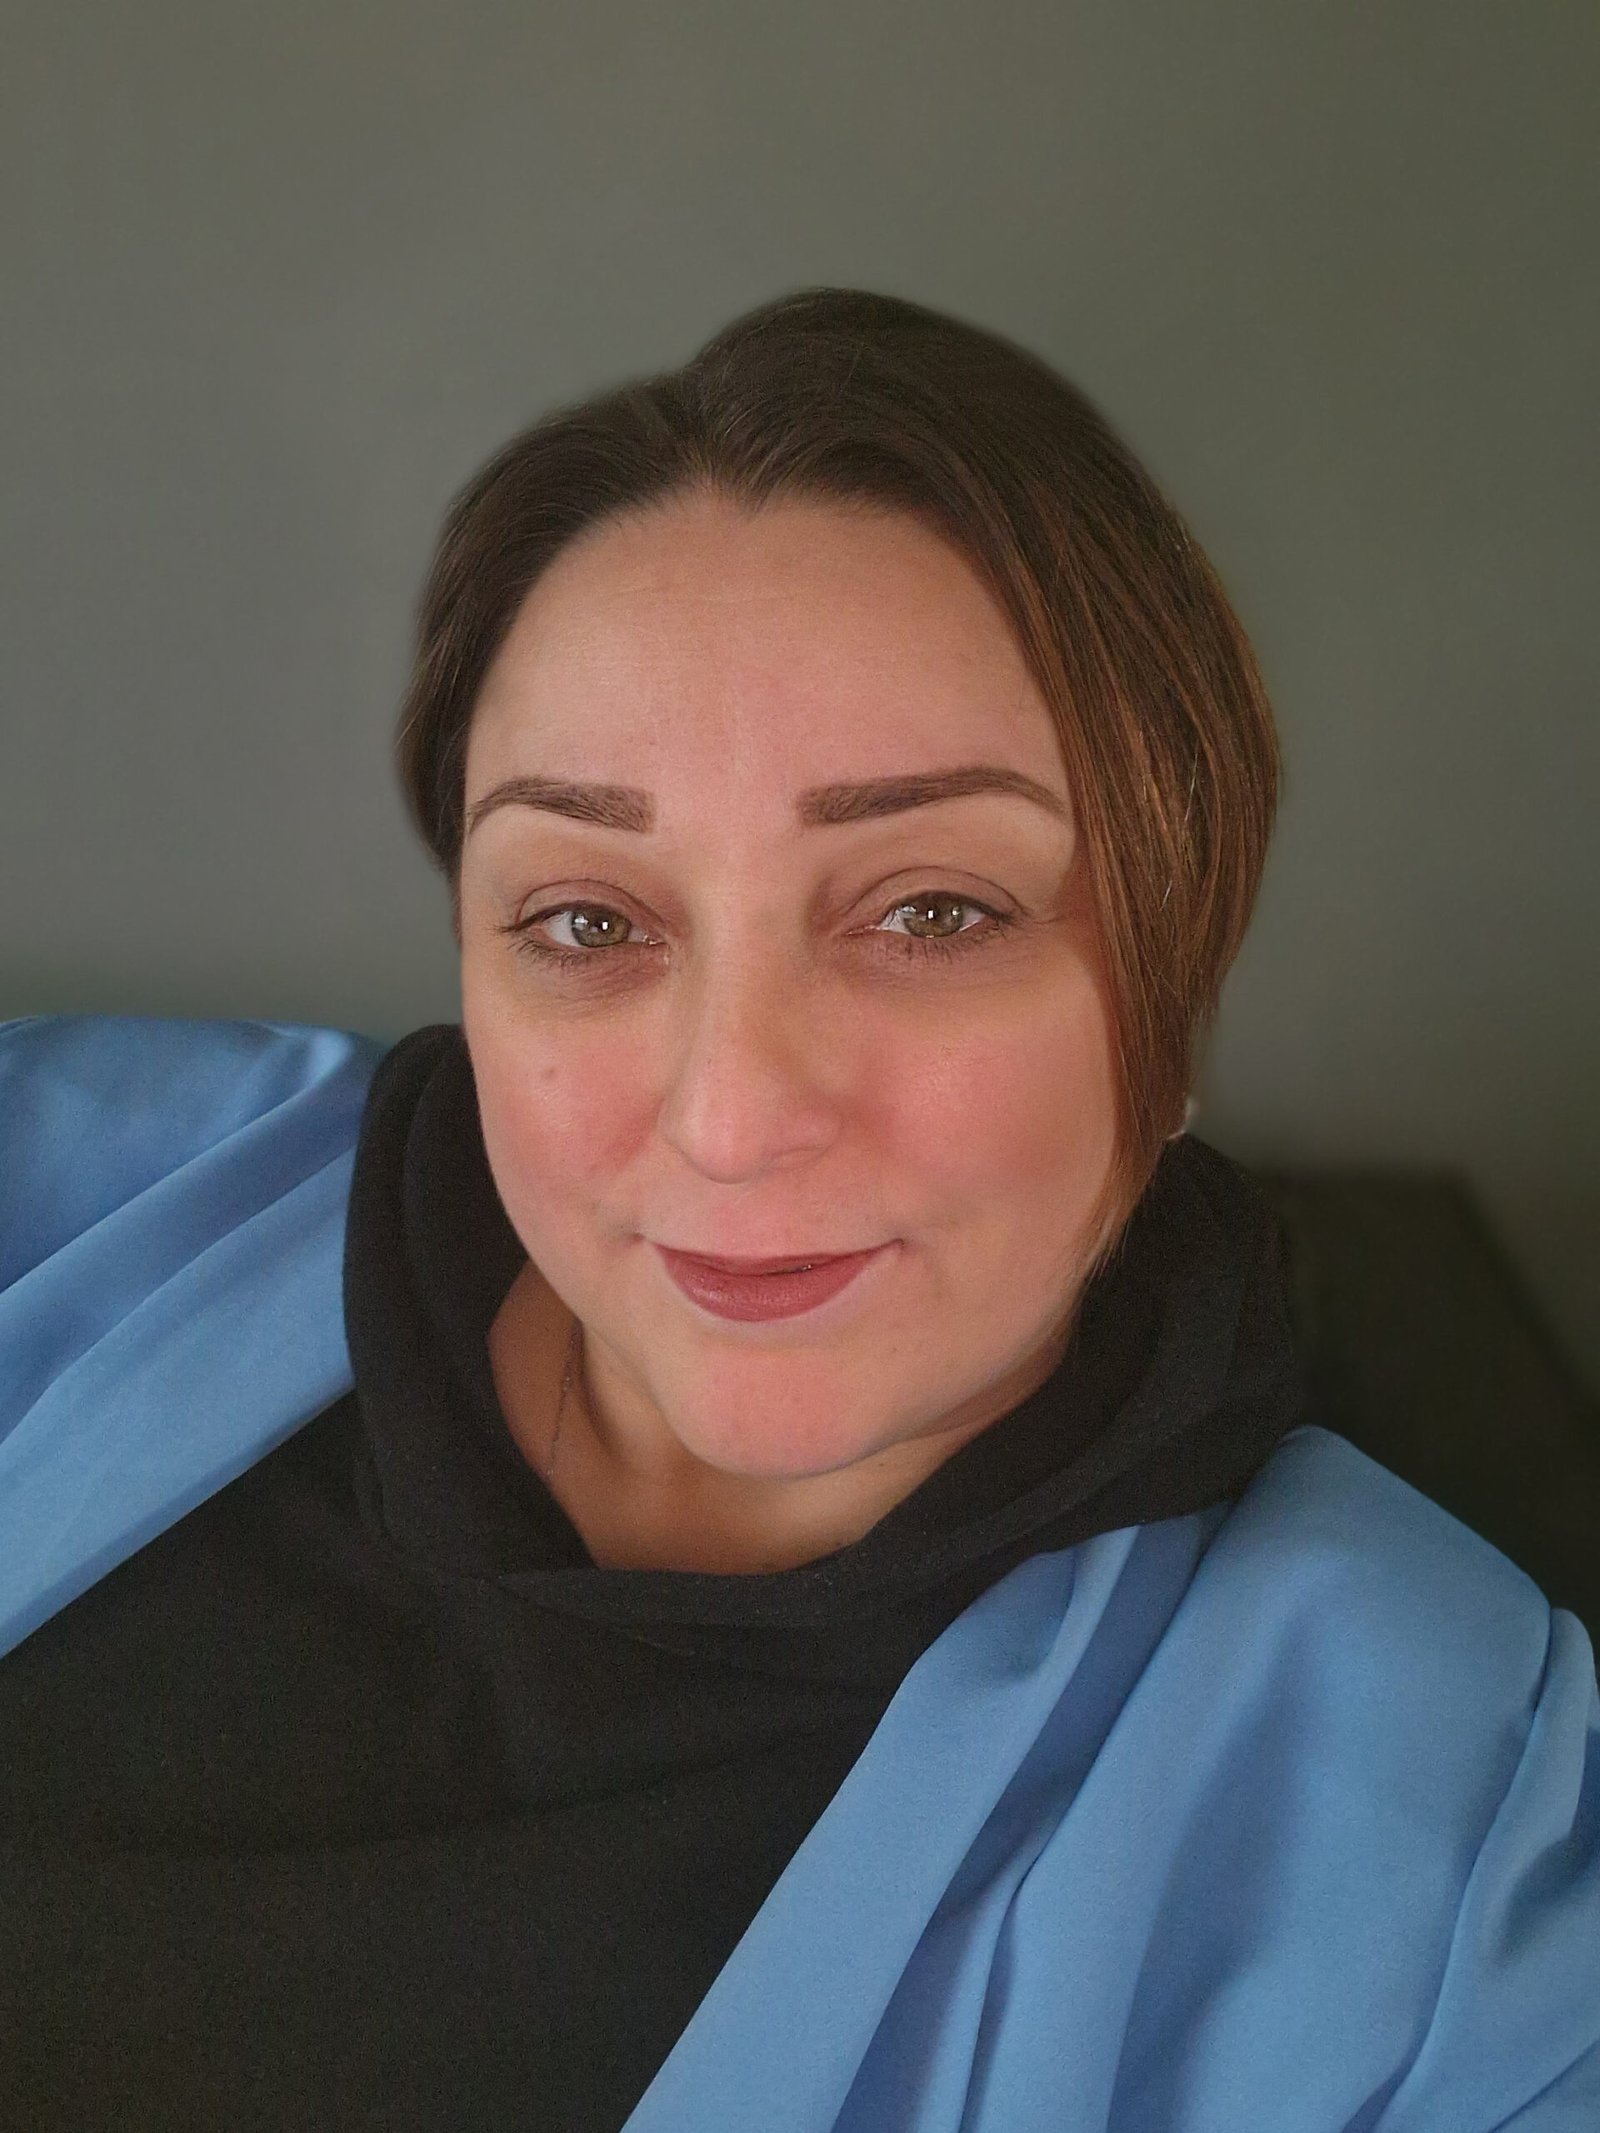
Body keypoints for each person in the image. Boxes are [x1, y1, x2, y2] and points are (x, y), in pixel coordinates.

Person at [1, 288, 1595, 2131]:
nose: (733, 1116)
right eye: (588, 919)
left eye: (933, 911)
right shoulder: (80, 1191)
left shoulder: (1455, 1855)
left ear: (1173, 1006)